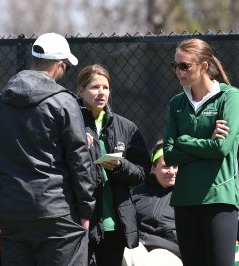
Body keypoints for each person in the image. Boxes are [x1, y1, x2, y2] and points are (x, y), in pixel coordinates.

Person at [0, 32, 95, 266]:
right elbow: (79, 159)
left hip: (14, 213)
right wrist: (86, 209)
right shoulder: (64, 102)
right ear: (59, 65)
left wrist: (0, 206)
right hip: (58, 213)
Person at [163, 38, 239, 266]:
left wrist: (185, 140)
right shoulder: (176, 103)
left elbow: (221, 148)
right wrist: (205, 142)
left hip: (219, 199)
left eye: (184, 66)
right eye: (175, 66)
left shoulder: (230, 97)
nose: (178, 71)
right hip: (185, 200)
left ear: (204, 66)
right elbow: (169, 155)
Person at [75, 64, 151, 266]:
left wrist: (119, 166)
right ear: (80, 90)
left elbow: (143, 171)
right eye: (94, 87)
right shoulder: (69, 123)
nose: (101, 92)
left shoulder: (125, 127)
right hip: (79, 222)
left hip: (114, 225)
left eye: (106, 87)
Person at [122, 139, 182, 266]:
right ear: (153, 168)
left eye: (175, 166)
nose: (172, 171)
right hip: (139, 244)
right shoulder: (137, 194)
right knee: (127, 254)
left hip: (171, 250)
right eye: (166, 166)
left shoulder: (187, 195)